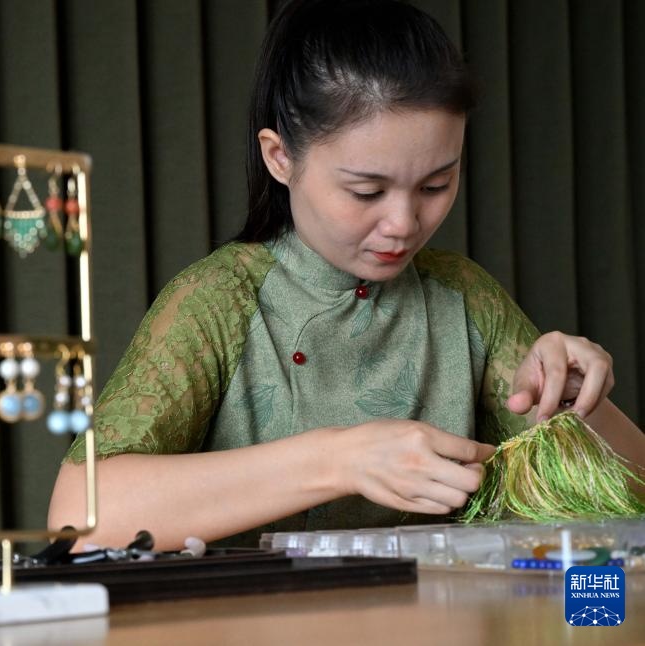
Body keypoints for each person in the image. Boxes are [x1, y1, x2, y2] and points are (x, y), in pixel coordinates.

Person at [48, 0, 645, 550]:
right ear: (280, 157)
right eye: (366, 191)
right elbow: (78, 517)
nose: (404, 223)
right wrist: (339, 460)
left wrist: (580, 402)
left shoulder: (461, 295)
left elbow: (626, 497)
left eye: (436, 185)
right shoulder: (221, 300)